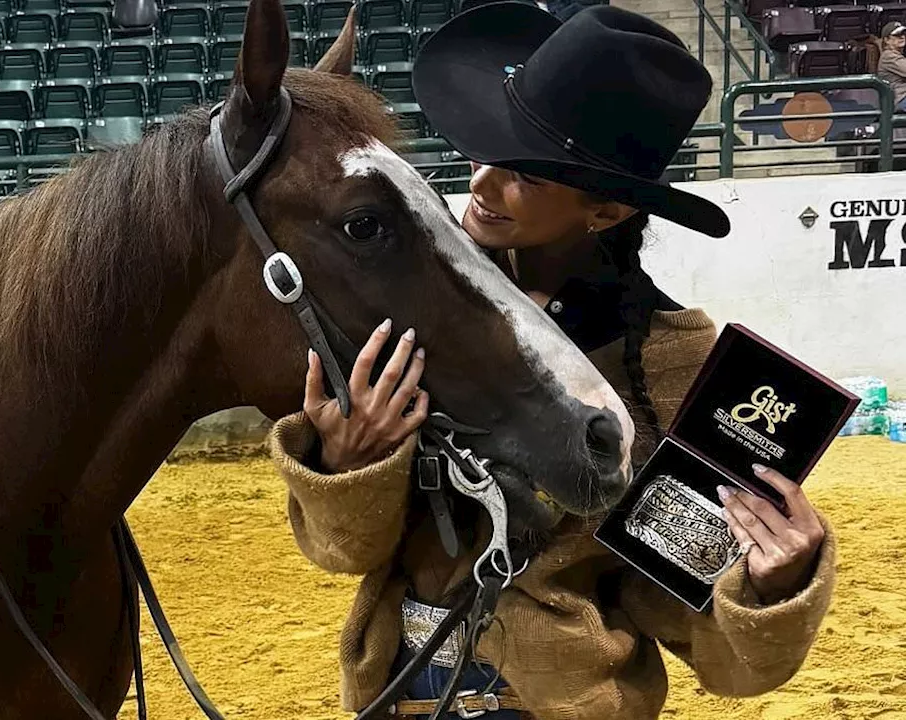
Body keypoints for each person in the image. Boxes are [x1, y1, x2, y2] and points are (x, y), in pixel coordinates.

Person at [269, 4, 837, 719]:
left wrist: (773, 583)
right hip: (396, 691)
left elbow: (704, 637)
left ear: (605, 212)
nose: (481, 183)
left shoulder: (673, 363)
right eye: (483, 150)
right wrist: (350, 466)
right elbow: (342, 554)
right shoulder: (407, 295)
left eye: (526, 176)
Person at [876, 21, 906, 112]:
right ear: (887, 40)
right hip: (900, 100)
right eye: (897, 35)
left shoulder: (897, 54)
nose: (902, 37)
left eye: (903, 34)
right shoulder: (888, 56)